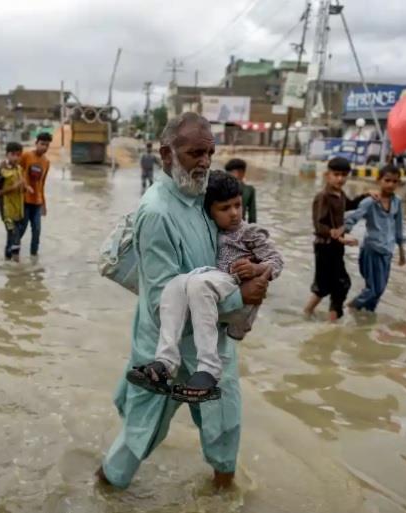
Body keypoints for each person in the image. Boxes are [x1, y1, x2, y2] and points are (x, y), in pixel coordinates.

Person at [96, 112, 271, 490]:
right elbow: (163, 302)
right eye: (196, 154)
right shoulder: (157, 212)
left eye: (211, 152)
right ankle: (104, 489)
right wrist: (238, 297)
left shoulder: (200, 197)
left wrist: (246, 268)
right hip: (168, 345)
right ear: (166, 154)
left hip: (211, 340)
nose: (206, 162)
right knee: (141, 433)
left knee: (226, 421)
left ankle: (224, 494)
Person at [127, 170, 283, 402]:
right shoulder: (207, 228)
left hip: (234, 284)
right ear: (209, 210)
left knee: (198, 284)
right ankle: (165, 363)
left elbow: (276, 261)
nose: (234, 213)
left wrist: (257, 269)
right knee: (175, 285)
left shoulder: (249, 232)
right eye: (224, 208)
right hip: (216, 285)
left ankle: (209, 369)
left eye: (237, 206)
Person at [303, 157, 368, 322]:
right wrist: (340, 237)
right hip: (324, 247)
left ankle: (310, 314)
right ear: (327, 175)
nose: (340, 178)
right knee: (337, 284)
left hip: (335, 246)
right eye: (336, 174)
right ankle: (329, 322)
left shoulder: (340, 194)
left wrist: (366, 196)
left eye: (344, 175)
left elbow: (350, 205)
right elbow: (319, 226)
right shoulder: (323, 197)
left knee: (329, 285)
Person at [343, 164, 406, 312]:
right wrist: (344, 234)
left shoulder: (397, 202)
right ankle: (348, 309)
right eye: (387, 180)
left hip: (387, 251)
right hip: (372, 250)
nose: (391, 184)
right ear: (379, 180)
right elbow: (352, 218)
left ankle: (366, 321)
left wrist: (402, 253)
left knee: (380, 291)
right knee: (373, 290)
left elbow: (398, 228)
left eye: (395, 181)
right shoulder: (370, 202)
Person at [19, 131, 52, 258]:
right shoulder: (26, 156)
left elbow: (42, 184)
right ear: (36, 143)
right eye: (42, 144)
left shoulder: (46, 162)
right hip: (24, 200)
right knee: (22, 228)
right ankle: (12, 251)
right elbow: (17, 171)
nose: (44, 147)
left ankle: (34, 256)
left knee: (37, 230)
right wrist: (23, 186)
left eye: (47, 145)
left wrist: (44, 204)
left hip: (37, 202)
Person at [0, 141, 25, 262]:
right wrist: (13, 187)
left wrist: (25, 188)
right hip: (7, 214)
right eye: (13, 155)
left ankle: (8, 262)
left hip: (18, 211)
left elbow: (21, 187)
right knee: (15, 235)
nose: (16, 158)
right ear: (7, 155)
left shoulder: (19, 169)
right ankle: (17, 264)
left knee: (12, 237)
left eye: (18, 155)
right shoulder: (0, 173)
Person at [224, 158, 256, 223]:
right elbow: (252, 217)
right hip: (240, 225)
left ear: (240, 173)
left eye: (230, 173)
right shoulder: (249, 190)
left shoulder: (222, 186)